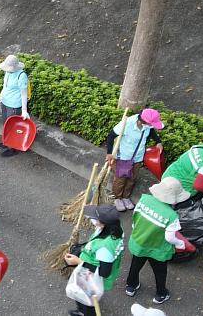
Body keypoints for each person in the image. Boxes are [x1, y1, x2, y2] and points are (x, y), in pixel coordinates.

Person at [125, 177, 187, 305]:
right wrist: (180, 244)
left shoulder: (144, 199)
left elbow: (135, 217)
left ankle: (131, 286)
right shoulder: (172, 216)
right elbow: (169, 237)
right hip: (157, 249)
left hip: (139, 242)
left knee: (135, 265)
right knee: (160, 272)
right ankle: (161, 294)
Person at [63, 205, 125, 316]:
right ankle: (82, 311)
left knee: (88, 302)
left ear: (102, 223)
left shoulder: (105, 248)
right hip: (89, 271)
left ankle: (84, 313)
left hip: (92, 279)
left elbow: (104, 272)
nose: (92, 220)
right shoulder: (114, 230)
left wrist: (79, 262)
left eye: (95, 218)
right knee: (84, 298)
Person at [105, 109, 165, 211]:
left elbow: (152, 133)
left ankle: (126, 197)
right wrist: (109, 153)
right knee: (121, 179)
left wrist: (158, 142)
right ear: (143, 121)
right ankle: (118, 198)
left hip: (137, 157)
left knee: (132, 178)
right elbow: (111, 136)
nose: (153, 126)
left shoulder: (148, 126)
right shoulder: (127, 124)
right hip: (123, 157)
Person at [0, 54, 29, 157]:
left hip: (14, 104)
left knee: (12, 126)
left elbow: (24, 94)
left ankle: (13, 148)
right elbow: (5, 86)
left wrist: (24, 110)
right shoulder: (8, 72)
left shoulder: (21, 75)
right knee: (5, 123)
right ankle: (6, 142)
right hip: (5, 101)